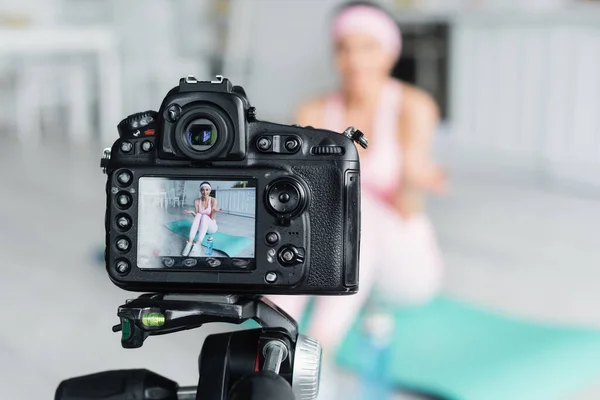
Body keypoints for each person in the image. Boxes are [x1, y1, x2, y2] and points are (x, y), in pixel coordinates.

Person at [272, 1, 447, 355]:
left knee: (354, 201)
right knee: (327, 207)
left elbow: (407, 205)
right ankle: (279, 318)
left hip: (403, 267)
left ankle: (322, 339)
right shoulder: (313, 110)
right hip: (334, 255)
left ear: (390, 53)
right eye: (344, 49)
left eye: (368, 48)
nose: (355, 61)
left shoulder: (413, 107)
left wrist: (415, 179)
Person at [182, 182, 219, 256]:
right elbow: (198, 219)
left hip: (211, 227)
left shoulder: (213, 200)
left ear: (210, 190)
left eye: (207, 190)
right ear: (200, 191)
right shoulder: (197, 201)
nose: (205, 192)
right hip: (202, 227)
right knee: (199, 214)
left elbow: (211, 218)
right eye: (203, 190)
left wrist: (214, 211)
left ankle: (198, 244)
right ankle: (190, 243)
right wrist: (192, 212)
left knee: (204, 216)